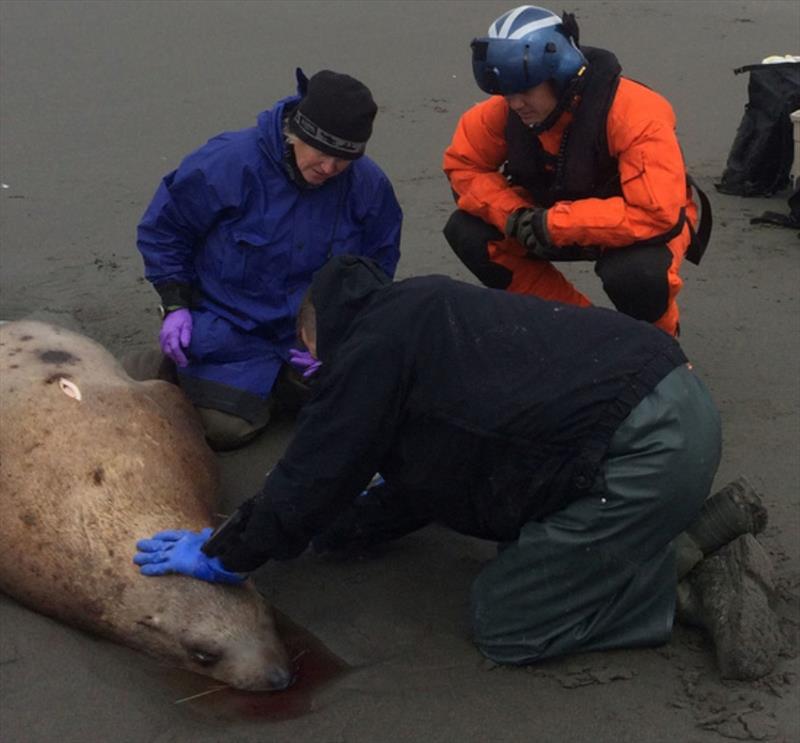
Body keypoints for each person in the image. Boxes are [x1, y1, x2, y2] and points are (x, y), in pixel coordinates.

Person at [133, 255, 782, 681]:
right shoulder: (424, 310)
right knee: (545, 493)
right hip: (678, 397)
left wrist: (226, 552)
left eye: (308, 352)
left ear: (316, 332)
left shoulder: (366, 353)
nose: (310, 369)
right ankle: (695, 519)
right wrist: (342, 527)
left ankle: (686, 578)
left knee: (508, 621)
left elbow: (313, 474)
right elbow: (423, 478)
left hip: (647, 451)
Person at [134, 68, 402, 450]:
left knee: (370, 406)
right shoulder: (229, 162)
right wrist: (175, 301)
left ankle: (280, 386)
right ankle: (173, 369)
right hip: (230, 326)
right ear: (297, 134)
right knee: (226, 429)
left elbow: (376, 266)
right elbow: (165, 230)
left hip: (308, 336)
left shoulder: (369, 186)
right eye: (322, 154)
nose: (329, 169)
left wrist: (342, 334)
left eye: (343, 161)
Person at [442, 5, 711, 337]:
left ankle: (657, 345)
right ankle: (575, 328)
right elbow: (464, 166)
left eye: (525, 89)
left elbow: (655, 214)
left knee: (636, 275)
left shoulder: (636, 113)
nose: (515, 104)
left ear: (559, 75)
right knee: (467, 230)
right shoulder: (502, 113)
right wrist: (514, 214)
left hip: (638, 227)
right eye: (507, 91)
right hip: (546, 221)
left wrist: (553, 224)